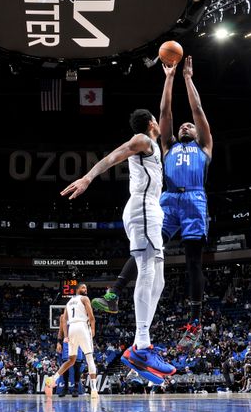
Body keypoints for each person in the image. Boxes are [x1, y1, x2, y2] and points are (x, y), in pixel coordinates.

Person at [92, 55, 213, 351]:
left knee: (193, 261)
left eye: (190, 126)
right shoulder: (167, 145)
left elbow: (196, 108)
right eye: (183, 126)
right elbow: (164, 110)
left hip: (195, 199)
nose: (186, 126)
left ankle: (194, 321)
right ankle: (115, 293)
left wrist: (187, 78)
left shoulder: (205, 146)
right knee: (148, 247)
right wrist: (169, 77)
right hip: (168, 200)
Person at [62, 109, 176, 385]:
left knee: (158, 279)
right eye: (156, 120)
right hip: (143, 209)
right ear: (150, 123)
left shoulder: (152, 145)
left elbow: (166, 110)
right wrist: (88, 177)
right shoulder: (142, 139)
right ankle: (142, 346)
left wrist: (171, 76)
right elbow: (114, 155)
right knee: (147, 268)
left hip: (149, 210)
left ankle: (142, 344)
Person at [44, 283, 98, 399]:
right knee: (89, 357)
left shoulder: (68, 302)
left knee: (71, 360)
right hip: (82, 327)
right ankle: (94, 389)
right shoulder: (84, 298)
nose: (85, 289)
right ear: (78, 289)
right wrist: (93, 329)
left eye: (86, 287)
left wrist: (66, 336)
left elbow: (64, 320)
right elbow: (91, 316)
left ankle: (53, 379)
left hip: (72, 329)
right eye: (83, 287)